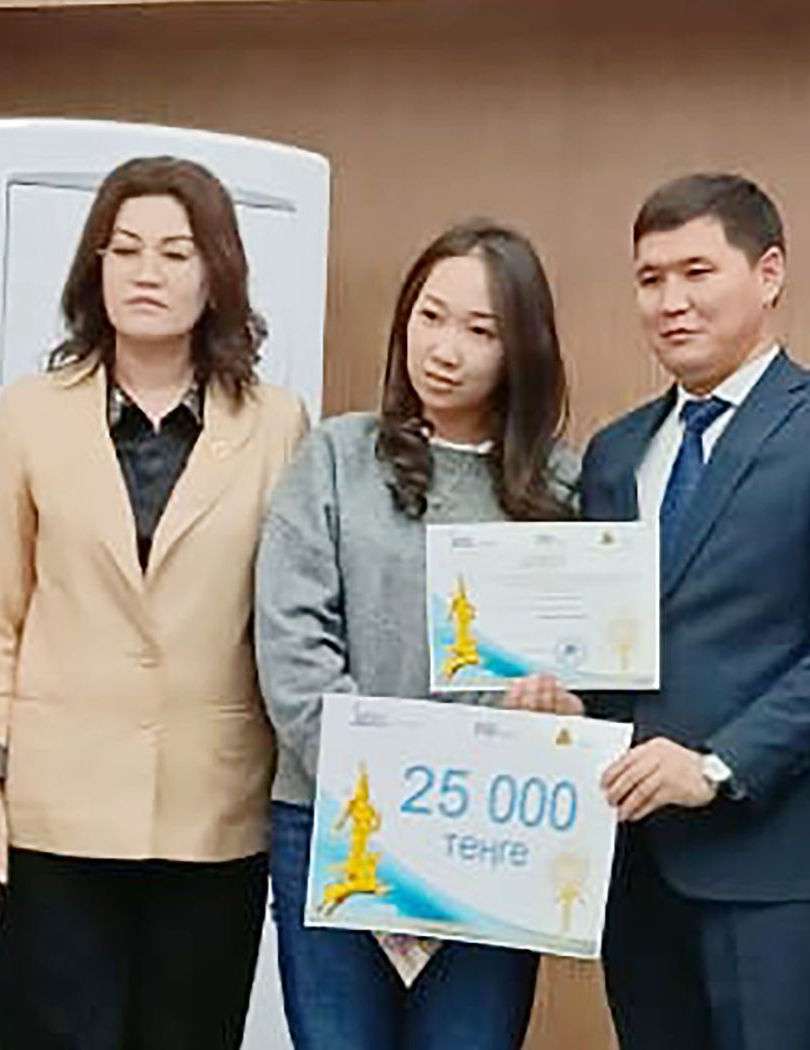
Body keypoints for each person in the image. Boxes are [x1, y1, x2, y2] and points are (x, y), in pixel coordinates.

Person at [0, 155, 308, 1050]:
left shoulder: (278, 425)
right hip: (53, 811)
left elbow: (290, 617)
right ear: (95, 267)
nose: (148, 272)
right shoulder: (29, 415)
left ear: (217, 274)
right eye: (127, 249)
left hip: (212, 813)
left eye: (177, 253)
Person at [575, 173, 810, 1050]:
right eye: (650, 279)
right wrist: (558, 697)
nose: (671, 301)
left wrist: (718, 765)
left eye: (697, 272)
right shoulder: (615, 453)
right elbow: (602, 640)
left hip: (780, 861)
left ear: (768, 274)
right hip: (635, 862)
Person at [255, 219, 577, 1050]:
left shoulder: (563, 486)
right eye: (430, 317)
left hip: (487, 834)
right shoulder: (336, 455)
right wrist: (388, 800)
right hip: (334, 819)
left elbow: (581, 667)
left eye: (480, 331)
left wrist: (558, 710)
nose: (445, 349)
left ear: (523, 349)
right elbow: (292, 645)